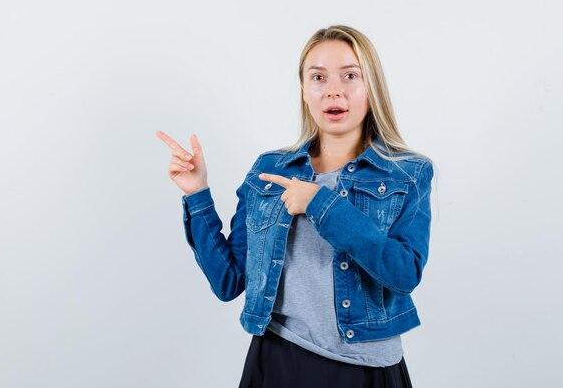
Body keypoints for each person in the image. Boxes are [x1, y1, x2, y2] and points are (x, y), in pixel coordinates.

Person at [156, 24, 434, 388]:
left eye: (350, 75)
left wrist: (322, 204)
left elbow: (403, 273)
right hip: (275, 361)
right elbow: (229, 281)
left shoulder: (408, 173)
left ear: (372, 88)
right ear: (304, 91)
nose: (333, 89)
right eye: (318, 77)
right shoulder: (270, 169)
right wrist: (197, 194)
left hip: (365, 368)